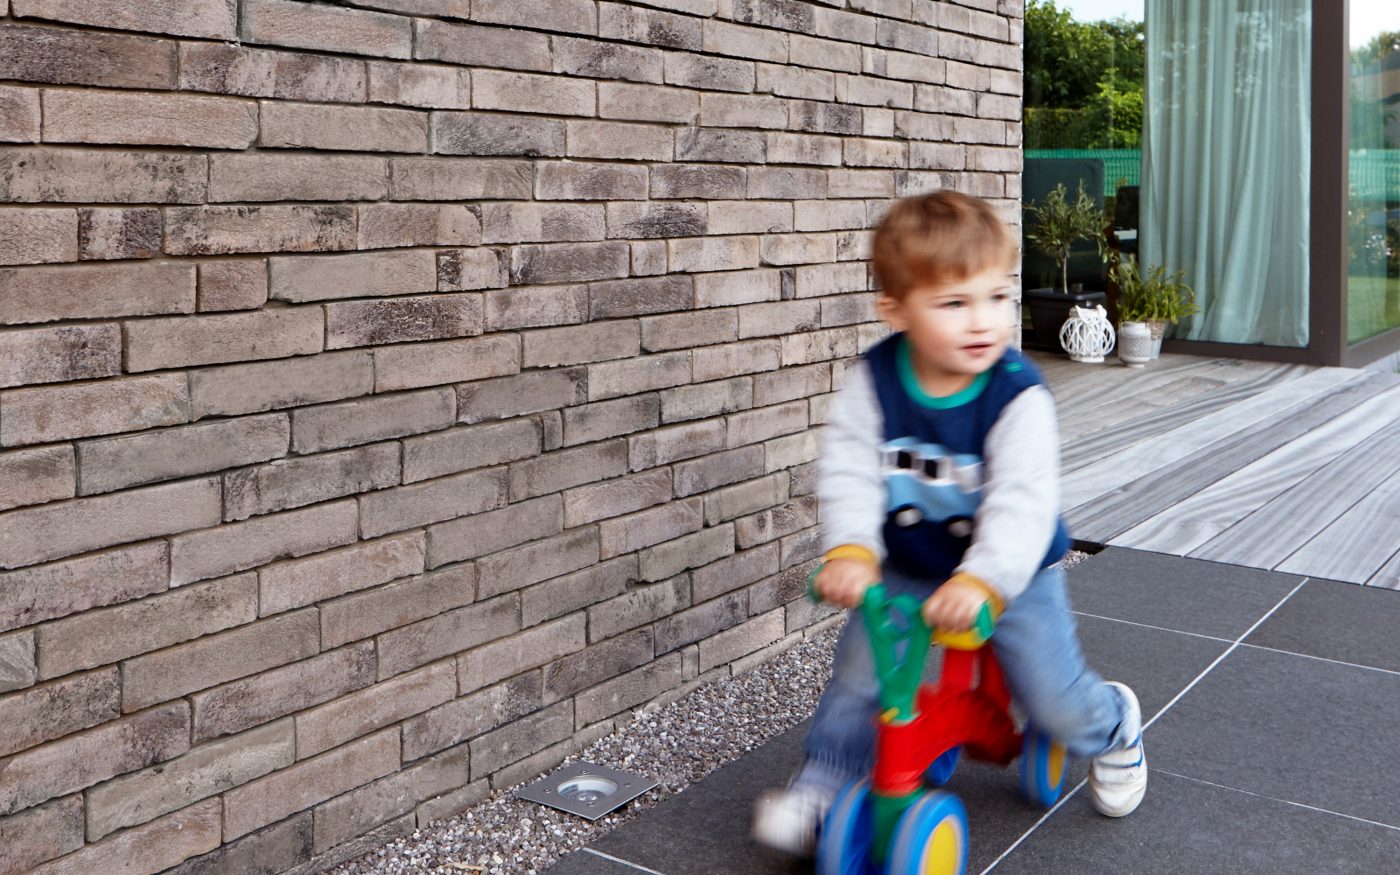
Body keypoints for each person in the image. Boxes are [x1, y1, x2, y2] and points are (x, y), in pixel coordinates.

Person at [751, 190, 1147, 857]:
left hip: (1012, 570)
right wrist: (850, 549)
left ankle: (1113, 725)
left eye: (997, 297)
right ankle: (825, 777)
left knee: (1051, 695)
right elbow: (849, 469)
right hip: (910, 561)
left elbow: (1021, 502)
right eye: (954, 303)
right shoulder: (873, 382)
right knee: (859, 672)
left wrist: (985, 580)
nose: (983, 321)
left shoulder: (1016, 394)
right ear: (897, 312)